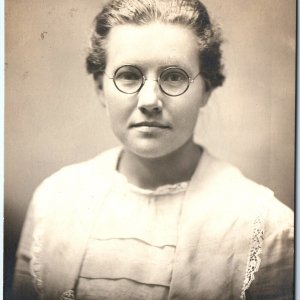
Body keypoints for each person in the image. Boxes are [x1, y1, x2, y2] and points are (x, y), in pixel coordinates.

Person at [13, 0, 294, 299]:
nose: (149, 101)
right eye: (129, 75)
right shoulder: (54, 200)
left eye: (174, 77)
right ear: (100, 88)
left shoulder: (266, 227)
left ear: (206, 89)